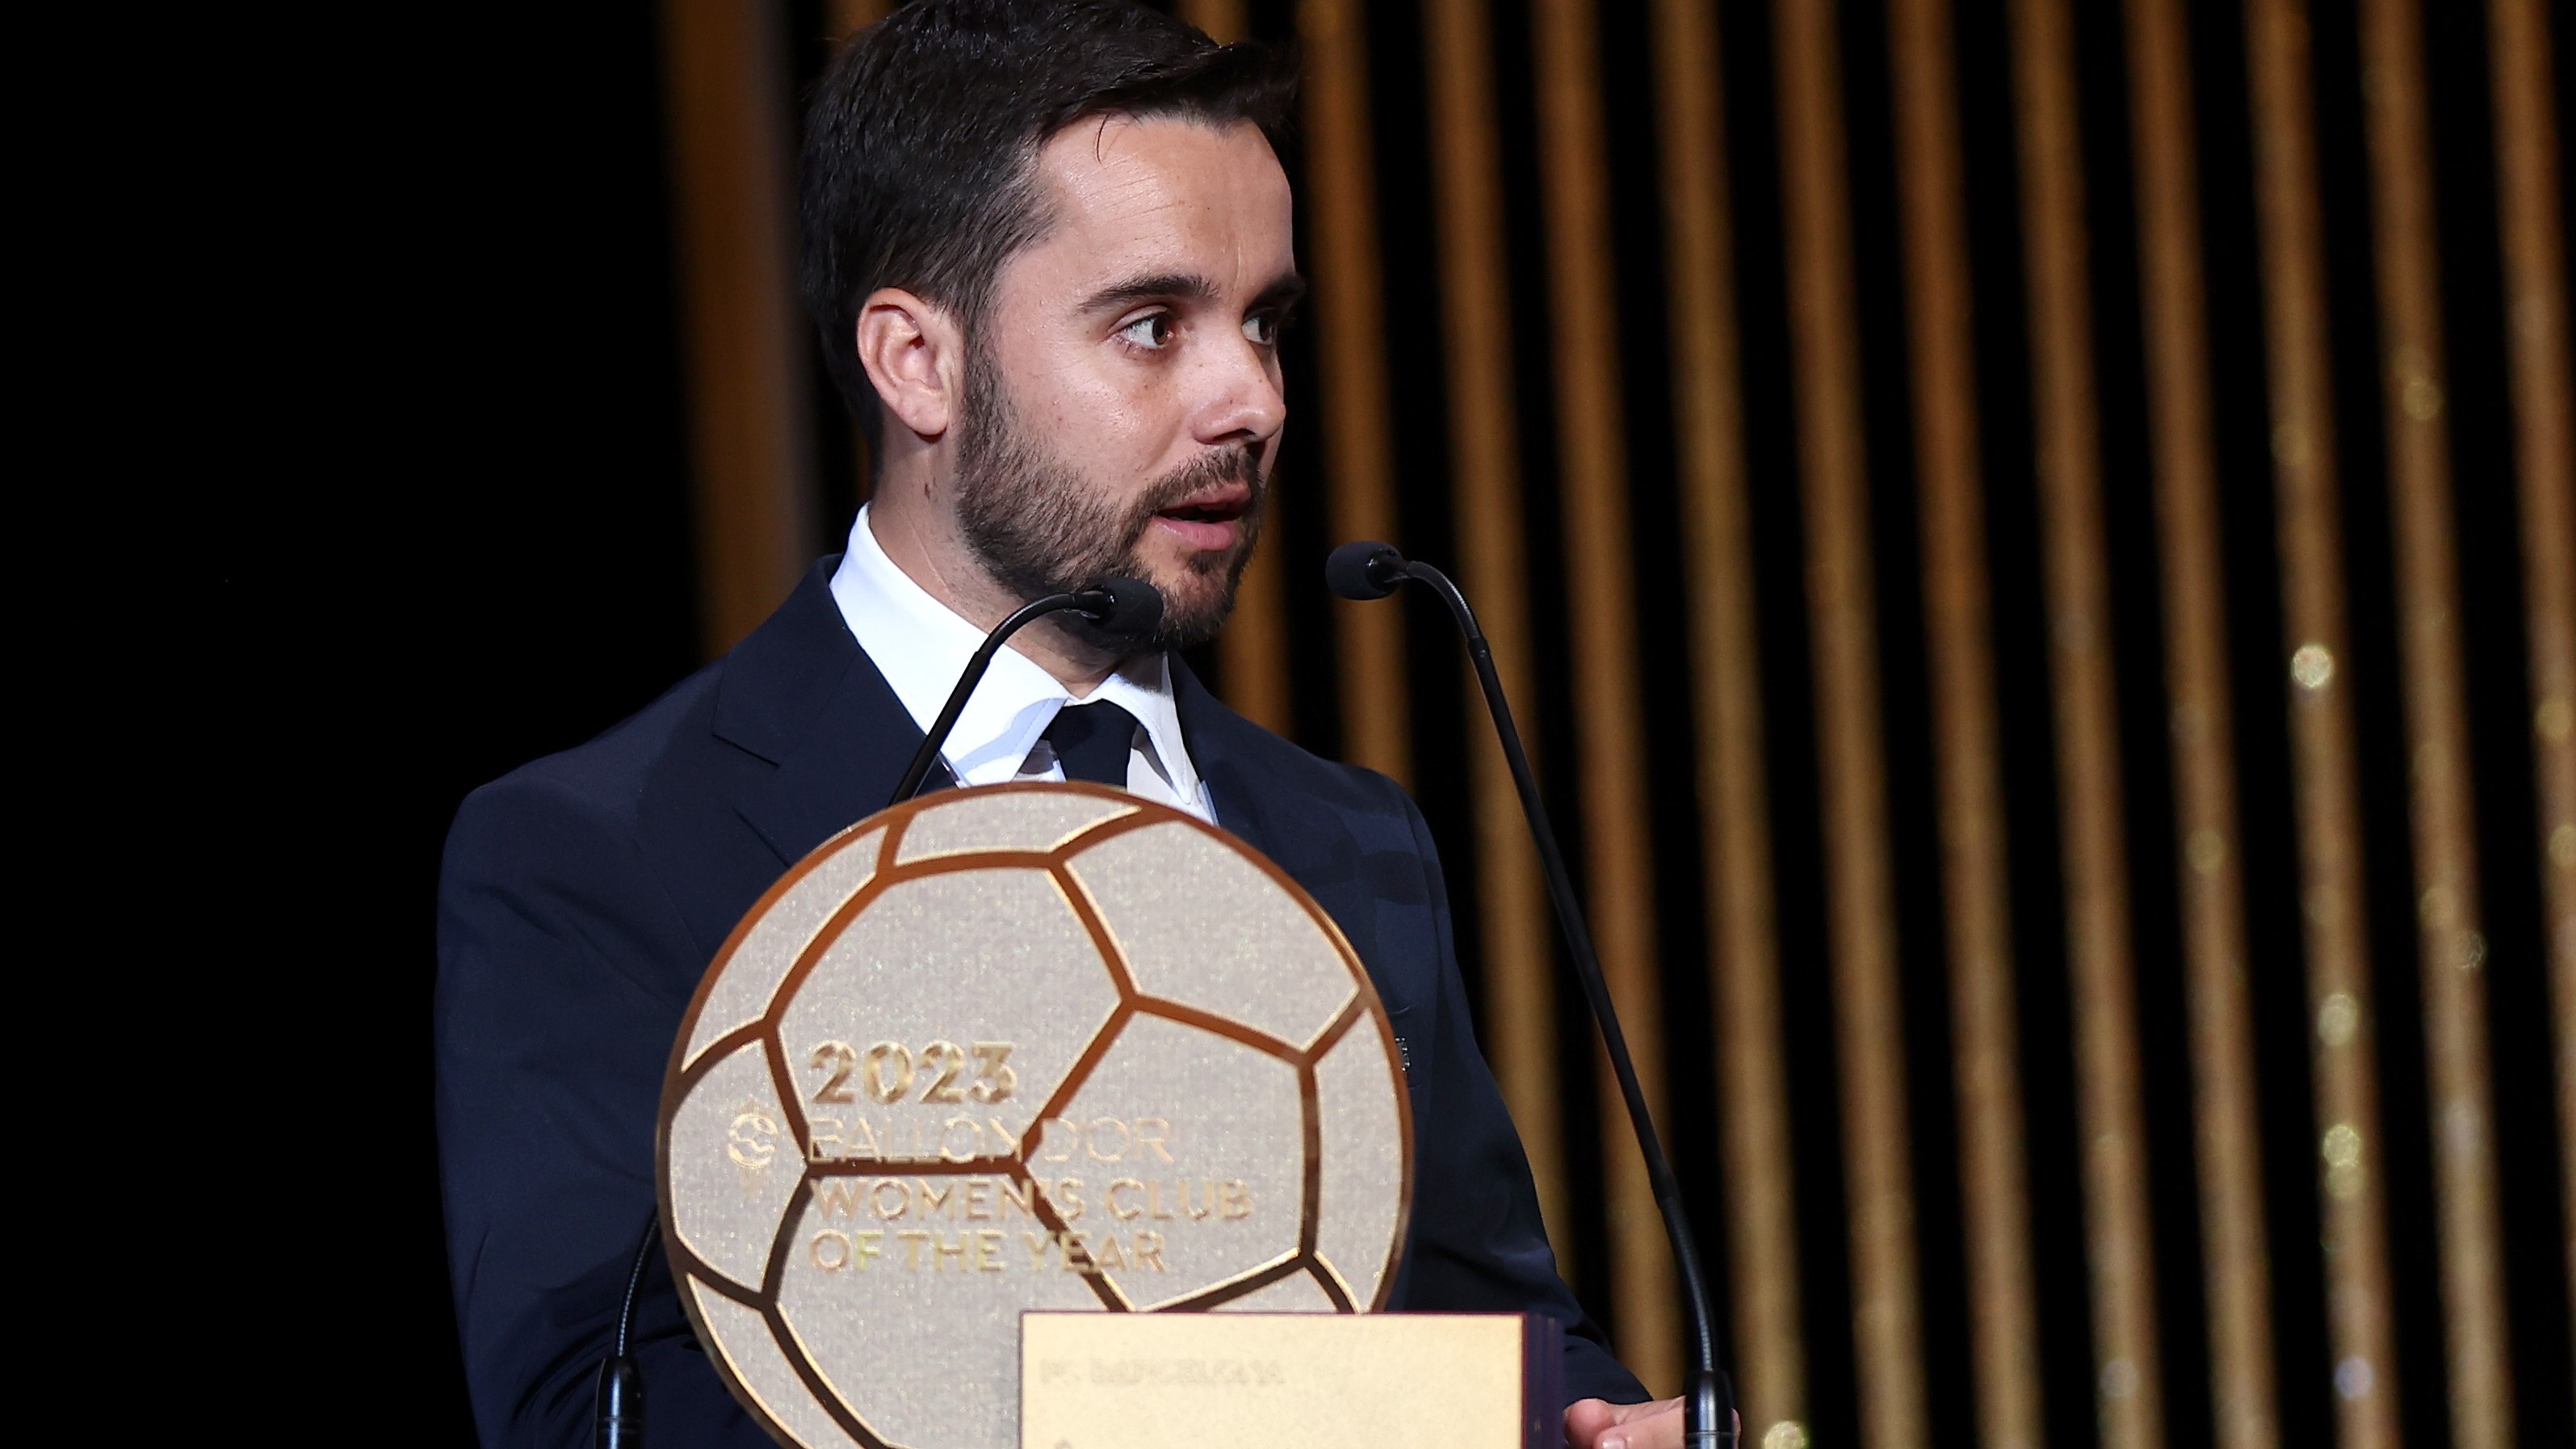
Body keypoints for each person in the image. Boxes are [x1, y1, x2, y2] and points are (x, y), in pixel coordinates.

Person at [437, 2, 1691, 1444]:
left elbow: (1489, 1340)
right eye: (1152, 326)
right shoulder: (600, 853)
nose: (1250, 398)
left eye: (1264, 322)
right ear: (918, 362)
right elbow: (587, 1413)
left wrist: (1596, 1421)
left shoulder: (1350, 842)